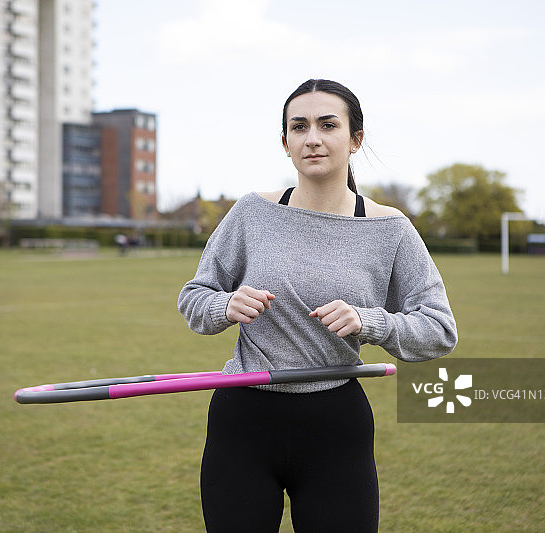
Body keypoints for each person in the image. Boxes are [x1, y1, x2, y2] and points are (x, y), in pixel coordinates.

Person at [177, 79, 457, 532]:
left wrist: (370, 322)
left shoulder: (391, 228)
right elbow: (194, 296)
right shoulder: (252, 212)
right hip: (243, 422)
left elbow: (440, 330)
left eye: (328, 125)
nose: (312, 138)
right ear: (285, 142)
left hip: (335, 425)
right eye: (299, 126)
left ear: (355, 139)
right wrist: (224, 306)